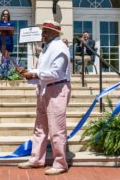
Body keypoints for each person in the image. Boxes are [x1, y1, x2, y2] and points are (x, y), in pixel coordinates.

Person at [17, 20, 71, 175]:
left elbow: (55, 73)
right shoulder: (47, 48)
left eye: (46, 31)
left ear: (55, 33)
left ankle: (60, 163)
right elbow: (44, 71)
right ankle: (36, 159)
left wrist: (34, 74)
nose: (43, 34)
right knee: (40, 128)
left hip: (57, 89)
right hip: (45, 89)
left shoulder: (60, 47)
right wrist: (29, 72)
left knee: (56, 129)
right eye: (43, 31)